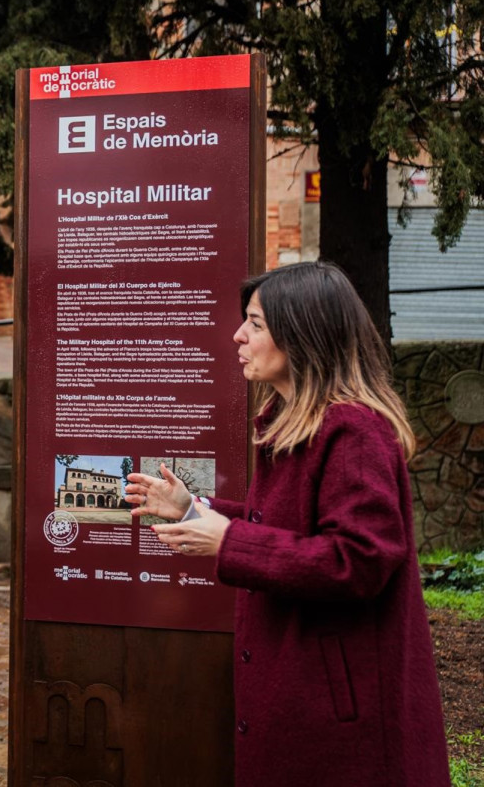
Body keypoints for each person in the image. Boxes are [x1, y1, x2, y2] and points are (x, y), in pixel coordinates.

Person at [125, 261, 450, 787]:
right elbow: (281, 528)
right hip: (307, 699)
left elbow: (359, 560)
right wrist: (192, 509)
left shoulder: (354, 432)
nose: (238, 335)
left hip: (345, 722)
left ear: (302, 335)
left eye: (254, 323)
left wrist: (228, 541)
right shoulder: (298, 424)